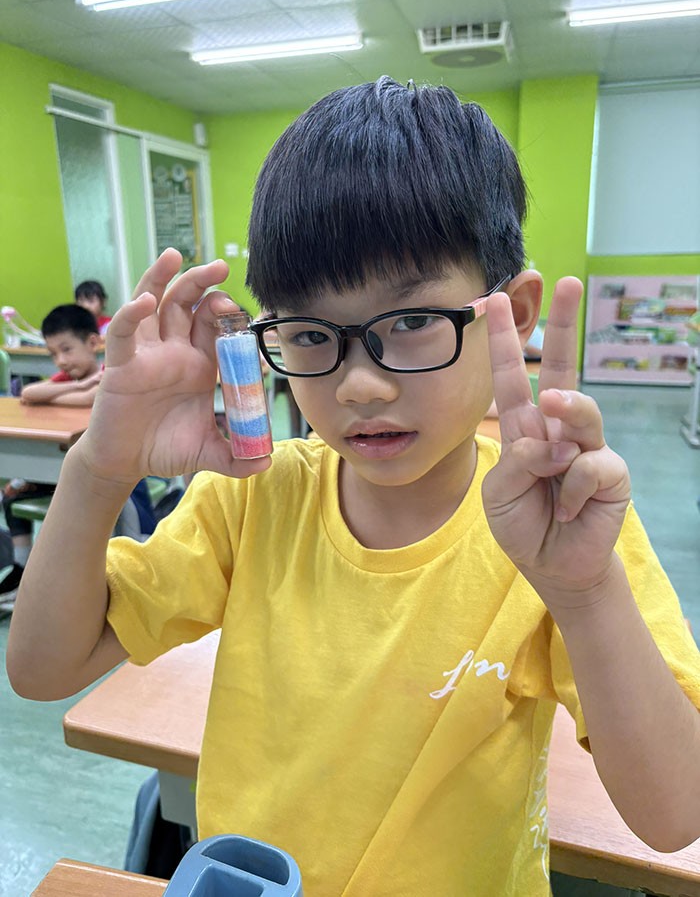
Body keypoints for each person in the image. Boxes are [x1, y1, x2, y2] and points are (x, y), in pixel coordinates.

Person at [7, 78, 700, 896]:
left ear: (510, 314)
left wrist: (584, 594)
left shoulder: (562, 524)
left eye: (412, 322)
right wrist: (98, 466)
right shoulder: (253, 497)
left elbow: (673, 814)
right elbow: (42, 668)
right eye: (309, 333)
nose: (360, 385)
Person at [0, 304, 103, 605]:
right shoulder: (74, 379)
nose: (61, 361)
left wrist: (78, 390)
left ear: (93, 343)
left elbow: (90, 398)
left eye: (67, 350)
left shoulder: (109, 375)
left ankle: (77, 576)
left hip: (96, 475)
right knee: (12, 496)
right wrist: (80, 385)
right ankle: (21, 568)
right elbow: (28, 394)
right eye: (53, 354)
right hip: (61, 469)